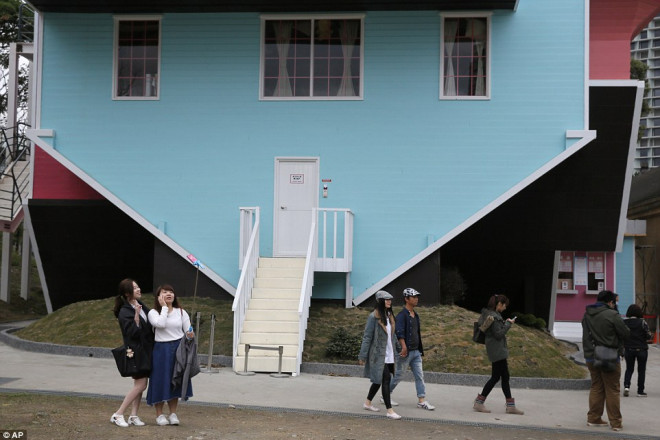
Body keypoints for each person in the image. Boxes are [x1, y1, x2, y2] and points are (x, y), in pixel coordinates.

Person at [147, 284, 195, 426]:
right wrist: (164, 308)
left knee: (176, 379)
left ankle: (173, 413)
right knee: (160, 380)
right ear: (158, 296)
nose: (169, 294)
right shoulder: (153, 312)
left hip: (178, 349)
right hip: (161, 350)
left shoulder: (181, 312)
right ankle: (159, 414)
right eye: (165, 292)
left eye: (171, 292)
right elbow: (160, 324)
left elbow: (188, 331)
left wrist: (190, 334)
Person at [581, 290, 630, 432]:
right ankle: (615, 422)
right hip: (608, 356)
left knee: (596, 386)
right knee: (612, 389)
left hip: (591, 356)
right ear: (610, 302)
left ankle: (593, 418)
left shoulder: (587, 314)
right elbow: (625, 333)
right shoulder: (612, 315)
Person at [110, 278, 154, 427]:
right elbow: (132, 334)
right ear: (127, 293)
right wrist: (136, 316)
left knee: (140, 385)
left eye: (138, 286)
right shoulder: (125, 311)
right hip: (136, 352)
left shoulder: (140, 305)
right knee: (140, 385)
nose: (139, 289)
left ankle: (133, 415)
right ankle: (118, 414)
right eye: (135, 288)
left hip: (145, 351)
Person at [473, 294, 524, 415]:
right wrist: (508, 324)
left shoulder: (491, 314)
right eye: (504, 305)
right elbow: (498, 334)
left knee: (503, 377)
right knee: (497, 377)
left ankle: (509, 406)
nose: (505, 307)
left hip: (496, 349)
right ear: (499, 304)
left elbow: (495, 331)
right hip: (497, 351)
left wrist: (505, 323)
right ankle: (480, 403)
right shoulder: (494, 317)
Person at [387, 287, 435, 410]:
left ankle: (421, 400)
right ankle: (385, 394)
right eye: (413, 297)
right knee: (399, 375)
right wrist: (403, 347)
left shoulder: (415, 315)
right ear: (406, 299)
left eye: (416, 297)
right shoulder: (402, 315)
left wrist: (419, 349)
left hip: (416, 352)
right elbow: (399, 332)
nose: (416, 299)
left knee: (419, 375)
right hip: (406, 352)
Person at [358, 290, 402, 420]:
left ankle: (367, 403)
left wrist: (399, 347)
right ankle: (389, 410)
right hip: (378, 355)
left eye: (390, 299)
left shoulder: (390, 316)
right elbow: (367, 337)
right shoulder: (373, 317)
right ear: (380, 301)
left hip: (389, 353)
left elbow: (392, 336)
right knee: (386, 379)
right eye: (386, 299)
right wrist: (362, 355)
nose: (389, 301)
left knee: (378, 381)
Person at [623, 304, 652, 398]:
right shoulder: (642, 322)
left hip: (628, 349)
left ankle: (626, 386)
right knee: (641, 370)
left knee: (629, 369)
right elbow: (648, 335)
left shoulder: (624, 322)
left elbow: (622, 334)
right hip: (641, 349)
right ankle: (640, 391)